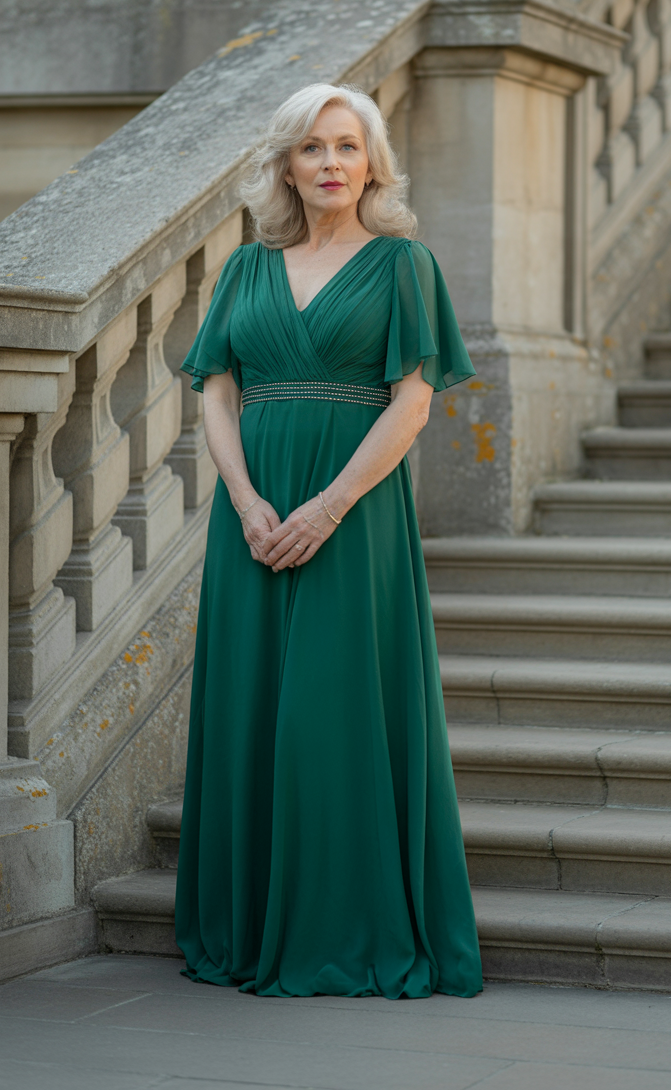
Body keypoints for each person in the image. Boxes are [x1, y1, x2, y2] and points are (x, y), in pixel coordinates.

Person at [174, 81, 484, 999]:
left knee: (333, 712)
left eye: (348, 147)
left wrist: (327, 507)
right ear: (285, 165)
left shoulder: (402, 265)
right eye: (312, 149)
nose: (332, 164)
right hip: (252, 516)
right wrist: (245, 499)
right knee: (253, 707)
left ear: (373, 162)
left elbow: (415, 403)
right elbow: (216, 391)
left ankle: (339, 926)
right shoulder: (244, 269)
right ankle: (249, 920)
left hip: (354, 516)